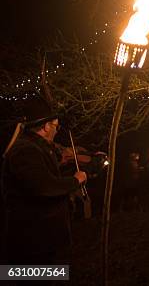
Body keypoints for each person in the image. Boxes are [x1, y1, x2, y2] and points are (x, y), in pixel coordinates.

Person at [1, 96, 87, 265]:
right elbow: (44, 187)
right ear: (46, 126)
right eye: (55, 126)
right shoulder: (26, 150)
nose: (57, 130)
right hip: (32, 242)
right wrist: (75, 181)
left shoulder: (36, 147)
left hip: (42, 239)